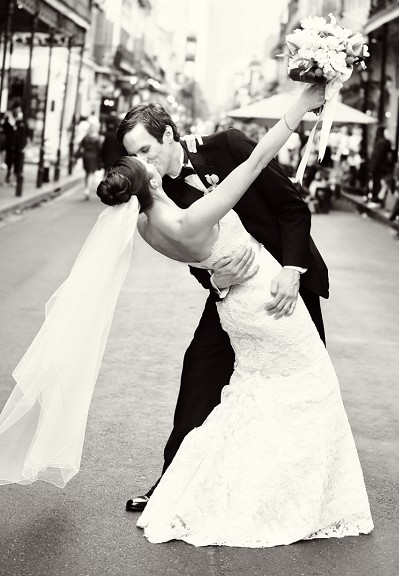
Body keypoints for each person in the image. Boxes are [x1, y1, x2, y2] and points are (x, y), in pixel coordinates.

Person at [0, 82, 373, 546]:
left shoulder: (228, 145)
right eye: (134, 156)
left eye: (148, 150)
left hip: (287, 277)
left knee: (302, 384)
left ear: (170, 135)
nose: (144, 162)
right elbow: (199, 259)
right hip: (231, 293)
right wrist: (218, 281)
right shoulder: (159, 203)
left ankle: (309, 476)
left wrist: (293, 269)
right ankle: (173, 484)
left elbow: (292, 206)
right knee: (200, 370)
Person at [75, 122, 103, 199]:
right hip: (94, 157)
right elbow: (100, 149)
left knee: (87, 173)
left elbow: (81, 147)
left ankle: (86, 188)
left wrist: (77, 156)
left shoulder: (86, 137)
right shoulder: (98, 138)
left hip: (85, 156)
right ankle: (87, 189)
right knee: (91, 173)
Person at [367, 126, 391, 205]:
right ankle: (376, 198)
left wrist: (372, 168)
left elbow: (376, 156)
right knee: (377, 183)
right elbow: (377, 156)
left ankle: (376, 198)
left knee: (377, 183)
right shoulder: (383, 142)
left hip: (379, 167)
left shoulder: (381, 142)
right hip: (380, 167)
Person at [2, 111, 15, 185]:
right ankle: (7, 179)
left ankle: (7, 179)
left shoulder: (9, 127)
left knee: (8, 164)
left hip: (7, 148)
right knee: (7, 164)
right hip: (6, 148)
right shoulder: (9, 127)